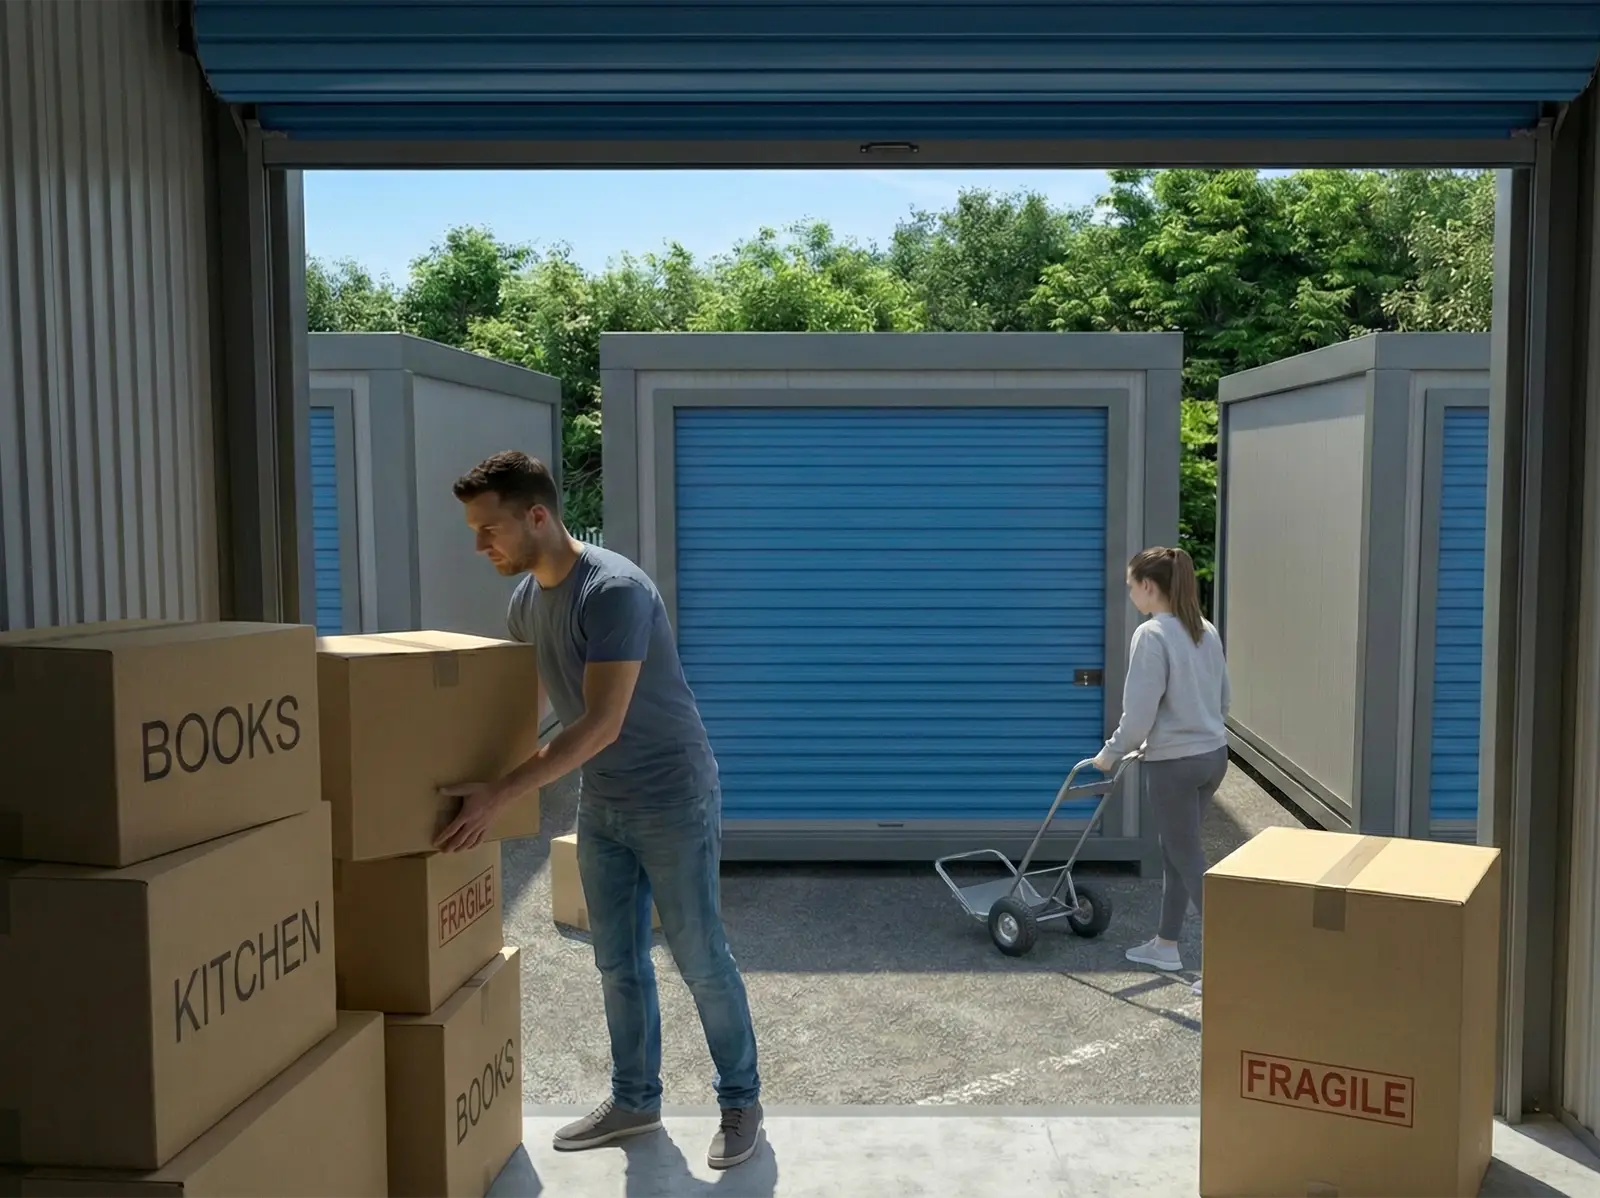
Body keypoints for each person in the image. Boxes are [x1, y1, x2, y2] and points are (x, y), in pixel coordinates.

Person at [436, 450, 763, 1170]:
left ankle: (741, 1101)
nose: (478, 545)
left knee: (700, 957)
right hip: (605, 800)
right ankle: (635, 1100)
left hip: (672, 795)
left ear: (538, 516)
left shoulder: (612, 591)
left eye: (488, 529)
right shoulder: (526, 601)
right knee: (615, 961)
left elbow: (600, 723)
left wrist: (502, 795)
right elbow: (525, 712)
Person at [1091, 546, 1230, 998]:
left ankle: (1233, 965)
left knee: (1189, 859)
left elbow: (1138, 714)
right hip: (1213, 756)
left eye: (1132, 585)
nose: (1130, 593)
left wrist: (1110, 753)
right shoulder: (1205, 630)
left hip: (1174, 765)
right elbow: (1223, 699)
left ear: (1149, 587)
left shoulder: (1151, 635)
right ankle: (1166, 945)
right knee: (1176, 851)